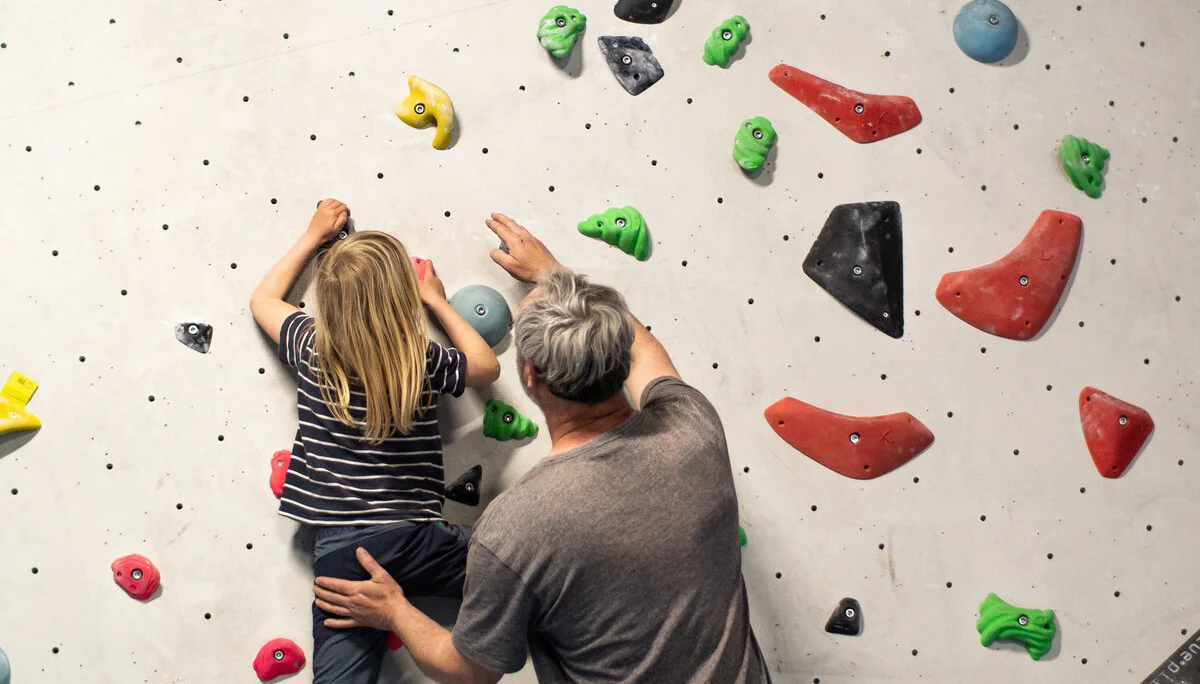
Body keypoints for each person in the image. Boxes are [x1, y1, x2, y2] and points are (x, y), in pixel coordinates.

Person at [313, 213, 770, 684]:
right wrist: (556, 275)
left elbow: (469, 671)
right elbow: (647, 352)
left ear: (530, 375)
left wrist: (394, 612)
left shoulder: (518, 525)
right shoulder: (693, 427)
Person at [249, 199, 502, 684]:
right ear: (400, 297)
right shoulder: (418, 359)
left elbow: (263, 300)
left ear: (327, 298)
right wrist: (436, 300)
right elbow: (486, 365)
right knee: (531, 574)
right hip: (415, 539)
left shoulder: (311, 347)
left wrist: (313, 236)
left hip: (343, 553)